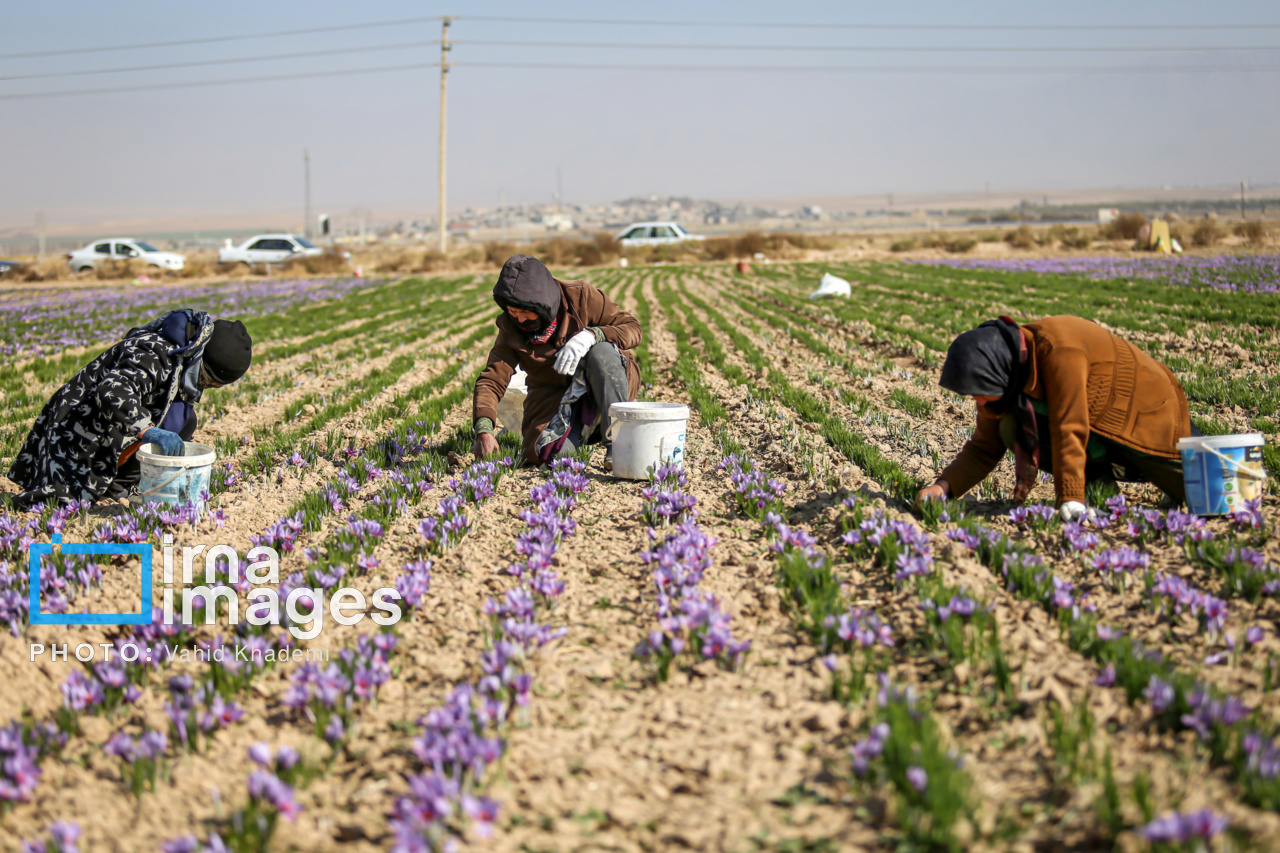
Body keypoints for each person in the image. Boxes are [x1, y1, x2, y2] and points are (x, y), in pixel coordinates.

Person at [917, 315, 1193, 520]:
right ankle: (1100, 490)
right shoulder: (1004, 375)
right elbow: (983, 447)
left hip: (1148, 419)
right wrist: (944, 487)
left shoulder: (1058, 352)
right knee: (1010, 425)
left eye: (980, 392)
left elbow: (1069, 425)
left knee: (1206, 495)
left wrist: (1071, 497)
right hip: (1099, 428)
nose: (978, 401)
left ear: (996, 372)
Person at [7, 309, 252, 508]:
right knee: (66, 501)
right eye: (205, 379)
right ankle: (100, 485)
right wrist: (147, 430)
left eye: (212, 386)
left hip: (110, 424)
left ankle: (121, 485)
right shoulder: (155, 353)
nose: (202, 387)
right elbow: (112, 393)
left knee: (184, 420)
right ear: (198, 356)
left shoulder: (182, 359)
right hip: (78, 424)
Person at [472, 254, 642, 469]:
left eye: (526, 312)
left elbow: (633, 328)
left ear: (543, 303)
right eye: (513, 312)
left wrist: (593, 335)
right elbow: (492, 379)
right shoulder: (510, 326)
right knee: (546, 455)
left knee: (602, 352)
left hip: (606, 378)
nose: (520, 319)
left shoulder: (581, 297)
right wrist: (484, 429)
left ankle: (618, 444)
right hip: (554, 392)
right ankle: (581, 427)